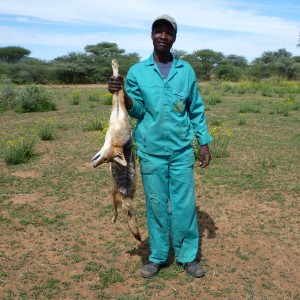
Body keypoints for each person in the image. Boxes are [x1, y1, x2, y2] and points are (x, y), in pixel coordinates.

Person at [108, 14, 213, 278]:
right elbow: (138, 112)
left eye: (168, 32)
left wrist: (204, 142)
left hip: (180, 151)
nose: (163, 36)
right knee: (156, 205)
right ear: (152, 35)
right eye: (159, 31)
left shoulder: (185, 71)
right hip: (151, 151)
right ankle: (157, 256)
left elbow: (196, 109)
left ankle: (187, 257)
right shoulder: (138, 72)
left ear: (174, 37)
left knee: (184, 205)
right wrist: (122, 94)